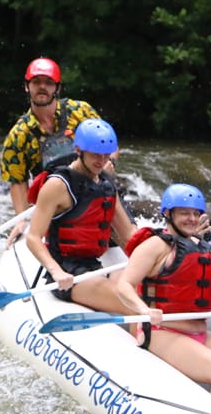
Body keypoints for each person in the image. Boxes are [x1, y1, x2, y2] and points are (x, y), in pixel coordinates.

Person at [117, 184, 211, 400]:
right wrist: (142, 309)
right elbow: (124, 285)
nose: (192, 219)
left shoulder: (200, 246)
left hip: (200, 332)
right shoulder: (154, 246)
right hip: (162, 331)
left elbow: (210, 292)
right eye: (184, 213)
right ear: (168, 213)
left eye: (196, 214)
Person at [25, 119, 135, 311]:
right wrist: (56, 271)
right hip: (67, 273)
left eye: (106, 156)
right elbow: (33, 237)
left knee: (144, 291)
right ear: (78, 150)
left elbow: (129, 237)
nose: (101, 162)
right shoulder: (57, 185)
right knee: (133, 303)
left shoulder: (106, 185)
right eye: (95, 156)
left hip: (94, 265)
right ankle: (145, 338)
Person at [0, 57, 110, 242]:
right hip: (56, 202)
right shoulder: (19, 134)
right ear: (27, 87)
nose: (42, 87)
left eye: (48, 83)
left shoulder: (81, 112)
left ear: (57, 88)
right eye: (36, 82)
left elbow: (109, 144)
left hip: (96, 189)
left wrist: (110, 163)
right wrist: (22, 219)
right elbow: (17, 182)